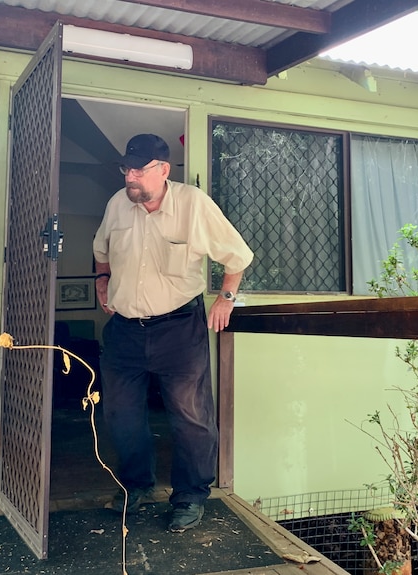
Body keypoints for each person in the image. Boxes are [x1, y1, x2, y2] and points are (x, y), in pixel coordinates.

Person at [92, 133, 253, 533]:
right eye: (126, 168)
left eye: (139, 170)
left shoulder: (193, 204)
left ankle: (191, 496)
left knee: (191, 417)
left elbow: (237, 256)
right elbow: (101, 250)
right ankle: (135, 487)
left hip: (179, 328)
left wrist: (226, 298)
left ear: (163, 170)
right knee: (120, 414)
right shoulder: (117, 204)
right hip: (125, 331)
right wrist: (101, 279)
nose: (130, 177)